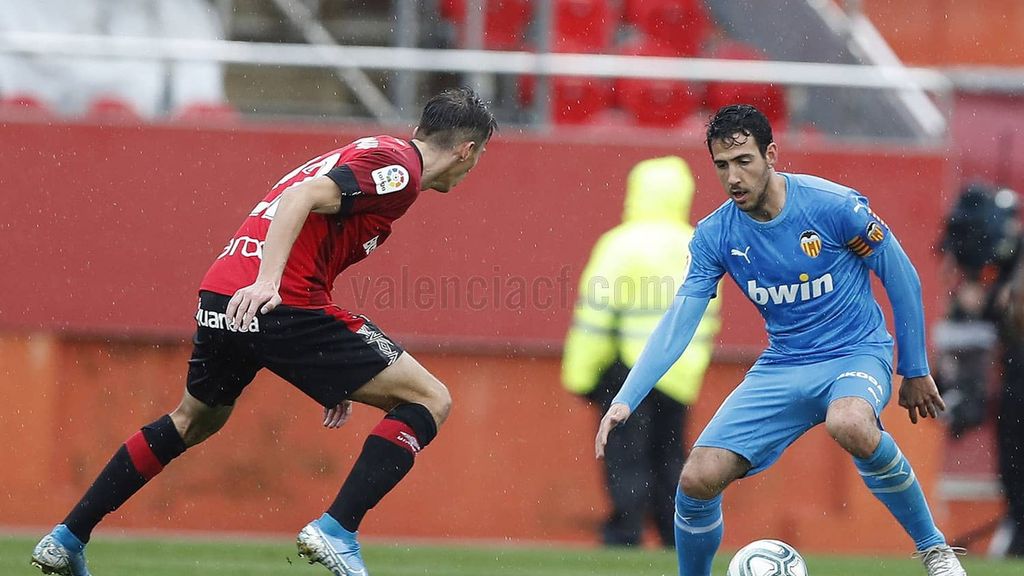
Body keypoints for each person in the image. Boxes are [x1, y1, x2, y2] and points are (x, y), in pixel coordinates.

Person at [30, 87, 496, 576]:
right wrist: (268, 281)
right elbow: (301, 197)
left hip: (223, 294)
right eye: (479, 156)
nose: (473, 167)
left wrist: (328, 372)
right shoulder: (399, 172)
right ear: (468, 150)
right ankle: (337, 529)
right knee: (429, 399)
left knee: (193, 420)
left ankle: (67, 538)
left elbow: (309, 227)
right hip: (275, 300)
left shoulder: (374, 151)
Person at [594, 104, 968, 576]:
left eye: (744, 161)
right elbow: (680, 318)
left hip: (855, 352)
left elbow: (902, 277)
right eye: (722, 165)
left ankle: (936, 550)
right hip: (784, 365)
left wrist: (914, 368)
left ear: (771, 154)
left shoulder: (833, 206)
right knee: (696, 478)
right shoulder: (715, 235)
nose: (733, 177)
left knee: (850, 423)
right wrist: (627, 399)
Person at [561, 156, 720, 547]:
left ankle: (625, 533)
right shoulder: (698, 244)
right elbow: (707, 315)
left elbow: (595, 316)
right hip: (680, 373)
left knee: (626, 454)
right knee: (670, 457)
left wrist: (581, 375)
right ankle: (674, 536)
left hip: (628, 369)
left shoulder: (622, 244)